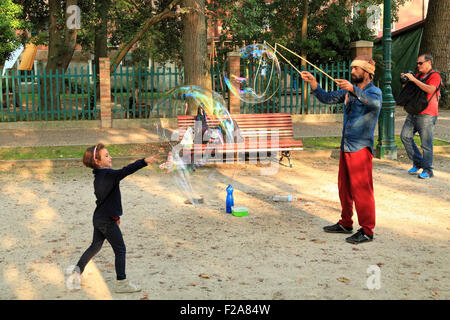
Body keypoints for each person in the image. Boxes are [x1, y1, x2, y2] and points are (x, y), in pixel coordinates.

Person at [300, 56, 382, 244]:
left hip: (360, 148)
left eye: (356, 69)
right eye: (352, 68)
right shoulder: (348, 91)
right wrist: (314, 83)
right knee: (344, 187)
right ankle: (346, 223)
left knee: (362, 189)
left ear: (367, 73)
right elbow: (327, 98)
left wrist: (353, 89)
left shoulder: (374, 91)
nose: (352, 72)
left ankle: (367, 230)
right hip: (346, 146)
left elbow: (375, 105)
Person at [74, 143, 156, 293]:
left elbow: (106, 200)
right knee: (120, 249)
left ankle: (76, 272)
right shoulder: (109, 175)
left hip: (100, 218)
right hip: (105, 221)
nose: (110, 157)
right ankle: (122, 282)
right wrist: (144, 161)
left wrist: (115, 215)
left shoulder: (99, 176)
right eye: (106, 156)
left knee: (95, 246)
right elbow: (126, 170)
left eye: (109, 154)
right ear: (97, 161)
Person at [400, 54, 441, 179]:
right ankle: (418, 163)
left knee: (426, 144)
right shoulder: (418, 76)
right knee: (405, 137)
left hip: (427, 115)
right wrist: (405, 80)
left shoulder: (435, 76)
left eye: (420, 63)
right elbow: (408, 89)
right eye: (417, 63)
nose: (418, 65)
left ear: (428, 62)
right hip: (413, 112)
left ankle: (428, 170)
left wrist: (414, 80)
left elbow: (430, 89)